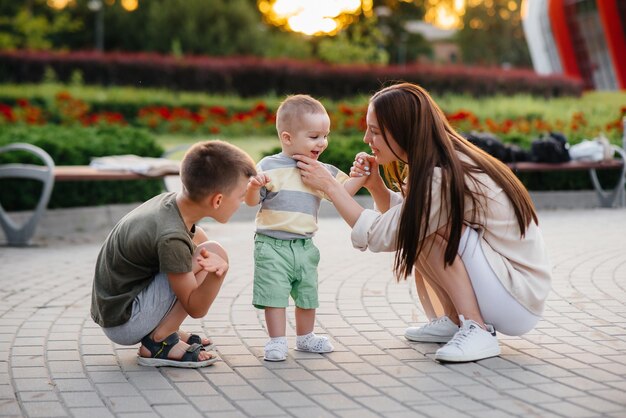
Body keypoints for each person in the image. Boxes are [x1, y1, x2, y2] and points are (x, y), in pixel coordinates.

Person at [293, 83, 552, 363]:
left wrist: (330, 186)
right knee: (421, 224)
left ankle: (475, 327)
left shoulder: (442, 174)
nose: (367, 138)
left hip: (518, 297)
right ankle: (456, 320)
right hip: (506, 287)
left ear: (403, 130)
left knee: (428, 231)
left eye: (376, 131)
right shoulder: (436, 163)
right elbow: (403, 218)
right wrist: (376, 186)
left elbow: (384, 234)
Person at [91, 140, 256, 368]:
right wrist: (219, 272)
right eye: (241, 196)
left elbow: (200, 241)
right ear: (217, 200)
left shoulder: (170, 204)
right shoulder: (172, 238)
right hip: (124, 322)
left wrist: (209, 257)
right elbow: (195, 307)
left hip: (116, 308)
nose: (242, 203)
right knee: (215, 253)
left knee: (209, 250)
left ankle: (168, 329)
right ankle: (159, 341)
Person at [245, 94, 366, 362]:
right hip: (271, 245)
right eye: (314, 137)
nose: (322, 143)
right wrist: (253, 187)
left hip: (304, 245)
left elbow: (341, 192)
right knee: (274, 295)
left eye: (325, 136)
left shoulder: (320, 170)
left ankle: (305, 337)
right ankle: (276, 341)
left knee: (307, 293)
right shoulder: (269, 167)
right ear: (287, 138)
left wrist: (359, 177)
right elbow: (252, 202)